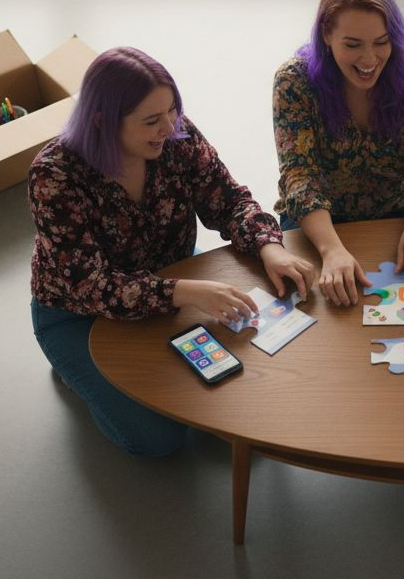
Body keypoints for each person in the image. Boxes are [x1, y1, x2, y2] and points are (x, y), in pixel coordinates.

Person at [29, 47, 315, 457]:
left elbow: (230, 200)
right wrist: (186, 292)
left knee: (248, 381)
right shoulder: (53, 175)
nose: (168, 127)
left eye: (172, 111)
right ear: (101, 122)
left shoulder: (177, 134)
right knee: (157, 440)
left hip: (172, 278)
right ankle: (73, 372)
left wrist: (270, 247)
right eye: (151, 120)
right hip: (77, 313)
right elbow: (92, 286)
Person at [273, 0, 404, 307]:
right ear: (326, 34)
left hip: (402, 209)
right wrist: (331, 249)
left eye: (382, 43)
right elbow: (300, 178)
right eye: (352, 45)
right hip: (318, 215)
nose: (369, 60)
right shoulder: (293, 81)